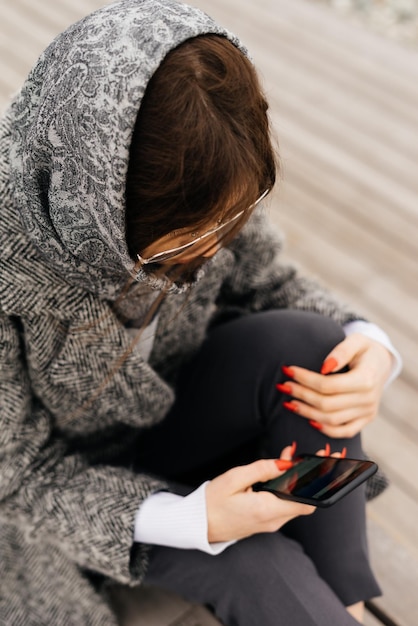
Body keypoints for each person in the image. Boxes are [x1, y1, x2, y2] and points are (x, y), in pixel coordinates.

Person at [0, 1, 401, 625]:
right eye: (189, 240)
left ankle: (342, 596)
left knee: (317, 347)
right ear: (100, 208)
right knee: (256, 565)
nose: (215, 247)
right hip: (68, 498)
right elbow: (20, 480)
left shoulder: (209, 190)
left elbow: (269, 283)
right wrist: (192, 519)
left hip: (177, 421)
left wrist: (368, 347)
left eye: (231, 219)